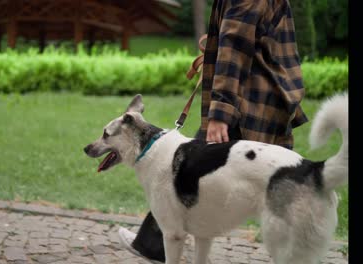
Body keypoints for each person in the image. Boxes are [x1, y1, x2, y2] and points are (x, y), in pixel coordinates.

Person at [117, 0, 309, 262]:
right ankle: (155, 244)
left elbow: (235, 46)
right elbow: (246, 35)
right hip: (262, 97)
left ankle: (154, 244)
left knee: (191, 166)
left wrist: (221, 112)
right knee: (192, 167)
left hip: (248, 100)